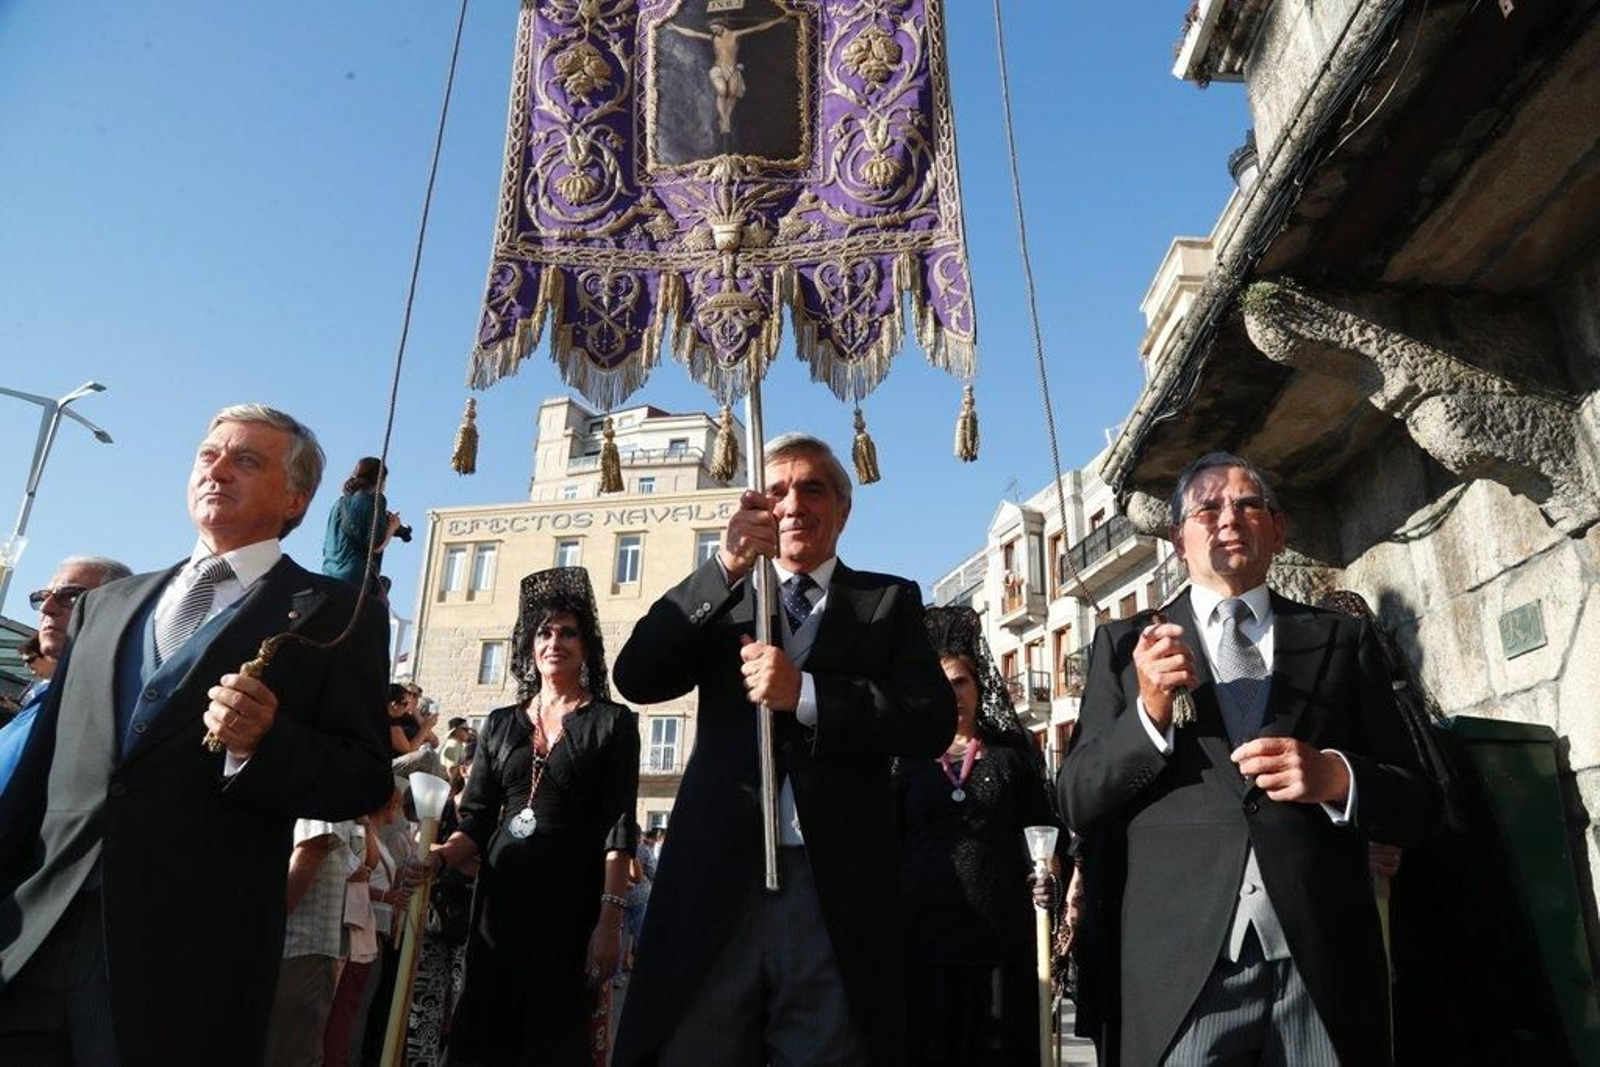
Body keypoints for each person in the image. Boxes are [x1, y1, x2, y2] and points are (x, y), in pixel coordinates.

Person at [0, 403, 394, 1065]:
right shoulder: (108, 604)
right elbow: (41, 768)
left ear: (295, 496)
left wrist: (262, 744)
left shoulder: (334, 612)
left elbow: (364, 774)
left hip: (182, 958)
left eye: (246, 460)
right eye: (208, 455)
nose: (218, 470)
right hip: (33, 935)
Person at [1057, 451, 1438, 1065]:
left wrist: (1335, 777)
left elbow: (1418, 802)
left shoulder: (1342, 639)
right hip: (1181, 968)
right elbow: (1075, 795)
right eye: (1207, 508)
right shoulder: (1126, 647)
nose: (1228, 518)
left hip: (1320, 963)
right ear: (1180, 539)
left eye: (1247, 504)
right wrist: (1149, 714)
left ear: (1278, 529)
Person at [611, 433, 955, 1066]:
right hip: (718, 881)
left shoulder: (887, 601)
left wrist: (809, 693)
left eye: (813, 488)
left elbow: (930, 718)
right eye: (778, 491)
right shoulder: (720, 599)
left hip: (833, 888)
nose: (794, 504)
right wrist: (725, 567)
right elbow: (636, 675)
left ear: (843, 510)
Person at [428, 567, 639, 1065]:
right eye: (544, 632)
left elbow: (617, 828)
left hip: (570, 909)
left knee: (550, 1037)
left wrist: (609, 920)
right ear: (529, 645)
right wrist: (440, 857)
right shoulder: (501, 724)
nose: (555, 642)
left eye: (568, 632)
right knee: (484, 1032)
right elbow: (476, 820)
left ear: (586, 645)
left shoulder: (612, 723)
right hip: (498, 907)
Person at [898, 606, 1060, 1066]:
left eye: (960, 682)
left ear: (979, 686)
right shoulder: (903, 760)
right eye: (941, 684)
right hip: (922, 944)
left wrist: (1046, 877)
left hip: (999, 942)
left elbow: (1045, 839)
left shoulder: (1012, 759)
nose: (952, 695)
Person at [0, 557, 131, 804]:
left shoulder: (119, 709)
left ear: (120, 609)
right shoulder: (43, 698)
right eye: (42, 597)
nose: (47, 608)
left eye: (71, 597)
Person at [267, 816, 362, 1065]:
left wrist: (266, 925)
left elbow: (311, 850)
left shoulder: (321, 789)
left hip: (301, 949)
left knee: (289, 1054)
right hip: (298, 950)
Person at [323, 456, 403, 592]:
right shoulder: (373, 499)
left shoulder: (339, 504)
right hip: (355, 581)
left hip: (329, 577)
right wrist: (393, 526)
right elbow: (376, 545)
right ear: (380, 480)